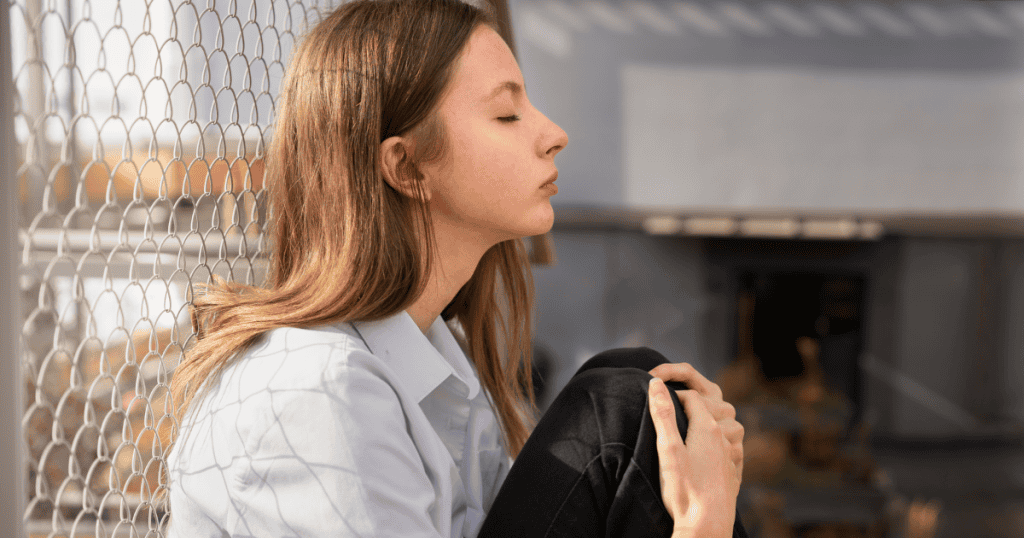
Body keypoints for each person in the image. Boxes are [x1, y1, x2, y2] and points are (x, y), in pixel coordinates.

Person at [166, 0, 748, 536]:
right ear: (407, 165)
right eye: (506, 115)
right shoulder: (316, 393)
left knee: (642, 384)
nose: (554, 135)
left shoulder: (438, 369)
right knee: (621, 405)